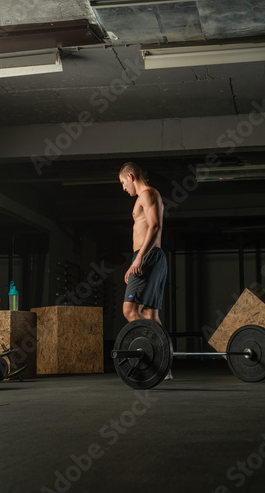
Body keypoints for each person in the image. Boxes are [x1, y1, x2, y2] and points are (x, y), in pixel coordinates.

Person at [118, 162, 172, 380]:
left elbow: (155, 226)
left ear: (130, 176)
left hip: (147, 255)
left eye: (123, 183)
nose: (123, 188)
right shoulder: (148, 196)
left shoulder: (148, 194)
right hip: (149, 257)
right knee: (149, 314)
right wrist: (134, 261)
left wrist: (139, 258)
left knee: (130, 311)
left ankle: (154, 356)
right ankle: (164, 366)